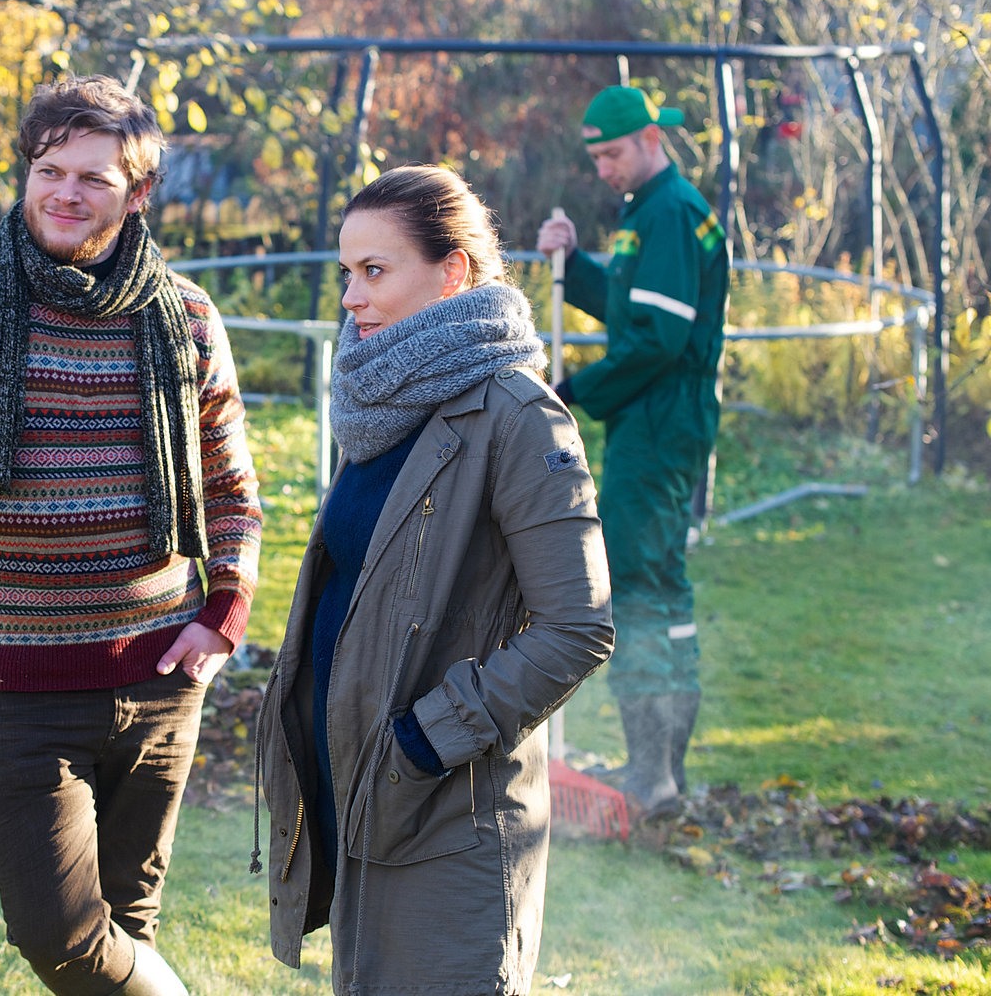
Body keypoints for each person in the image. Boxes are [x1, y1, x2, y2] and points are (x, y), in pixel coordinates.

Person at [0, 76, 262, 996]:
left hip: (162, 675)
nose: (65, 193)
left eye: (94, 179)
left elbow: (230, 488)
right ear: (26, 173)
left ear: (138, 194)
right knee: (60, 937)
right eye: (49, 169)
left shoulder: (184, 316)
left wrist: (222, 615)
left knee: (127, 929)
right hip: (26, 686)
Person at [258, 166, 614, 995]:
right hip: (361, 800)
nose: (352, 297)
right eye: (347, 272)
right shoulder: (382, 403)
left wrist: (426, 740)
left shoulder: (519, 416)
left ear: (453, 272)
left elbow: (579, 625)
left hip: (448, 810)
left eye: (375, 271)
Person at [536, 85, 728, 811]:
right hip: (648, 419)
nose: (603, 169)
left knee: (643, 583)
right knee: (649, 580)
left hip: (661, 423)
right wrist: (576, 263)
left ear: (652, 137)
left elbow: (656, 340)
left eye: (612, 153)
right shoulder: (648, 211)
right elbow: (633, 306)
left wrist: (573, 390)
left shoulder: (672, 214)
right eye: (595, 158)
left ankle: (654, 771)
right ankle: (653, 771)